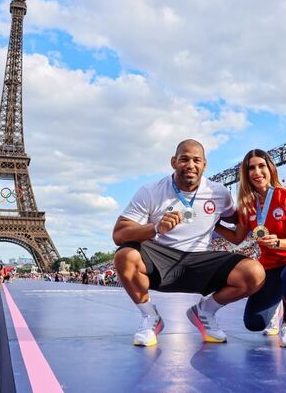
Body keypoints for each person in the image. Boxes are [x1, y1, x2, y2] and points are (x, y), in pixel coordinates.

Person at [113, 139, 265, 346]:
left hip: (199, 261)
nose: (190, 165)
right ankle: (150, 317)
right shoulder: (151, 191)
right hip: (161, 257)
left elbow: (241, 219)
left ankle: (205, 311)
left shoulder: (218, 192)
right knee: (125, 256)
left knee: (254, 273)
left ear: (204, 165)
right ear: (173, 162)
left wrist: (264, 197)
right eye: (184, 159)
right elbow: (119, 235)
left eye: (196, 160)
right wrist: (155, 227)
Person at [215, 149, 286, 347]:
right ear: (246, 175)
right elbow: (237, 238)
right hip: (271, 267)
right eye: (251, 168)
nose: (257, 172)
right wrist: (214, 224)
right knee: (254, 323)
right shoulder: (247, 206)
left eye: (261, 166)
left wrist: (277, 242)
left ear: (270, 169)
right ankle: (278, 301)